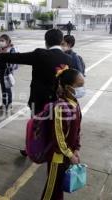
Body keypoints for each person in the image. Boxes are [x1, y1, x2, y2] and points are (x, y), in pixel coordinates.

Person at [0, 29, 72, 156]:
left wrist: (0, 55)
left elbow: (18, 57)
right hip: (57, 100)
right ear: (61, 41)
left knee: (35, 124)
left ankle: (32, 149)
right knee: (53, 125)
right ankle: (49, 149)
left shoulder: (40, 54)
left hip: (38, 99)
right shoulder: (68, 59)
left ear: (46, 41)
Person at [41, 68, 83, 200]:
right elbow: (58, 137)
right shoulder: (61, 107)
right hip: (57, 157)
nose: (82, 89)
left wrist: (76, 148)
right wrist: (70, 155)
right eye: (79, 86)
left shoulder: (75, 103)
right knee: (52, 189)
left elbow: (76, 130)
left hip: (67, 155)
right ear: (68, 87)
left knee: (59, 188)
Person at [0, 34, 18, 113]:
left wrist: (8, 69)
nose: (1, 42)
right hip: (1, 72)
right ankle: (4, 104)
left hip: (8, 73)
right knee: (3, 89)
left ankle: (9, 104)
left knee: (7, 89)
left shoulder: (11, 49)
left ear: (7, 41)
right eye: (0, 41)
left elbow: (14, 62)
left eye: (2, 40)